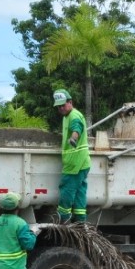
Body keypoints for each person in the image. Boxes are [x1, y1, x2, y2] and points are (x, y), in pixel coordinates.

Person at [53, 88, 91, 222]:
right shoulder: (67, 116)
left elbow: (77, 128)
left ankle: (62, 219)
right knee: (80, 193)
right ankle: (80, 221)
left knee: (67, 191)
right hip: (81, 164)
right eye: (58, 107)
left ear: (70, 102)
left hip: (75, 164)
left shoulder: (74, 116)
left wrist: (73, 138)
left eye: (63, 105)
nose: (61, 109)